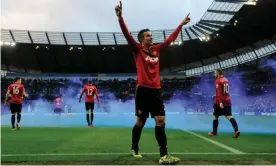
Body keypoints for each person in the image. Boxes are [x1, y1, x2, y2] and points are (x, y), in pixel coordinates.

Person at [115, 1, 191, 164]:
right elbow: (127, 34)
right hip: (142, 90)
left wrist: (180, 25)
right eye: (148, 36)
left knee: (161, 121)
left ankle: (164, 155)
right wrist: (120, 17)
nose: (151, 37)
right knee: (140, 122)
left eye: (151, 35)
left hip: (156, 90)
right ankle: (134, 146)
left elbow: (171, 39)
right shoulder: (137, 49)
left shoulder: (157, 49)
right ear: (142, 39)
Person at [208, 69, 240, 138]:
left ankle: (214, 132)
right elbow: (224, 91)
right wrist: (216, 95)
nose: (214, 74)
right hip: (227, 101)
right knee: (229, 116)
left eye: (215, 73)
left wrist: (220, 102)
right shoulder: (226, 80)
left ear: (218, 73)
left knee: (215, 116)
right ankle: (236, 130)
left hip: (219, 101)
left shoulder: (218, 81)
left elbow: (219, 92)